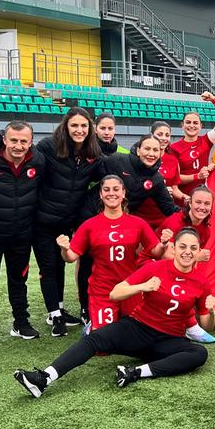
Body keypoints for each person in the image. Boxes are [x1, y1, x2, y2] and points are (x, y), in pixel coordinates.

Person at [14, 227, 215, 397]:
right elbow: (115, 293)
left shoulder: (201, 282)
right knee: (94, 339)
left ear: (199, 252)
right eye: (182, 246)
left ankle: (135, 372)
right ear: (174, 247)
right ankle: (44, 378)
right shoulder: (156, 268)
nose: (187, 252)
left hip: (167, 340)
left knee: (199, 353)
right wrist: (142, 287)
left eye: (193, 248)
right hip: (138, 329)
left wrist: (212, 312)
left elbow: (206, 325)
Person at [75, 135, 180, 325]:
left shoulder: (156, 179)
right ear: (138, 150)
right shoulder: (117, 160)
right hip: (90, 215)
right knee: (90, 261)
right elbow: (88, 173)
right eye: (147, 149)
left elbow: (169, 209)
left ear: (160, 153)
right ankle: (86, 308)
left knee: (120, 261)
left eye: (155, 150)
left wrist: (193, 214)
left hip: (119, 219)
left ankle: (123, 302)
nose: (151, 153)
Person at [57, 175, 168, 332]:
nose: (111, 193)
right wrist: (64, 249)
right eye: (106, 190)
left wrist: (163, 244)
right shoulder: (90, 225)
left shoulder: (138, 223)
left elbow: (156, 252)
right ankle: (93, 326)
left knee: (136, 337)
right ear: (101, 195)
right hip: (103, 290)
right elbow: (71, 257)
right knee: (104, 343)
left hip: (130, 287)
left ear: (123, 193)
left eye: (116, 189)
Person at [0, 121, 46, 345]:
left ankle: (21, 323)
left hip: (22, 235)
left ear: (31, 142)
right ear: (4, 139)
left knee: (19, 280)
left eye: (24, 141)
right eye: (13, 140)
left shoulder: (39, 162)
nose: (18, 145)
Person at [33, 107, 102, 336]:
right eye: (74, 125)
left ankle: (60, 309)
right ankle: (55, 316)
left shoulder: (93, 152)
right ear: (66, 126)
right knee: (48, 267)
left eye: (84, 126)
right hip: (42, 220)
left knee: (61, 264)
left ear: (90, 128)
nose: (79, 130)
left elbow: (111, 167)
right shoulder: (47, 146)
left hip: (68, 222)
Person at [140, 186, 215, 344]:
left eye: (207, 203)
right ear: (190, 202)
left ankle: (188, 324)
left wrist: (191, 274)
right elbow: (166, 255)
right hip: (151, 262)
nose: (202, 207)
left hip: (174, 265)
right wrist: (196, 258)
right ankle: (191, 326)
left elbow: (188, 265)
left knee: (188, 284)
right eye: (198, 202)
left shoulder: (205, 230)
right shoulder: (175, 221)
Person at [170, 91, 215, 194]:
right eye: (188, 122)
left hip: (202, 195)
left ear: (200, 126)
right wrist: (197, 176)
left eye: (195, 123)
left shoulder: (205, 141)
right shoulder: (174, 148)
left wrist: (213, 100)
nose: (191, 125)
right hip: (183, 197)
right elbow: (175, 178)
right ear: (182, 125)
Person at [133, 121, 185, 228]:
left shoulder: (173, 160)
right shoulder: (140, 159)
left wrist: (187, 198)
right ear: (152, 135)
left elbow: (175, 189)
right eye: (159, 134)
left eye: (167, 135)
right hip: (140, 215)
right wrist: (160, 188)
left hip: (164, 216)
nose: (164, 138)